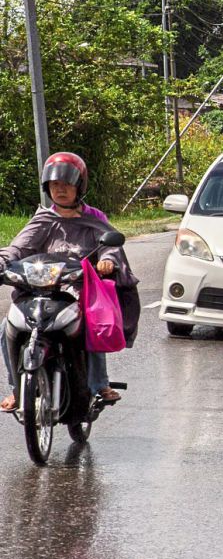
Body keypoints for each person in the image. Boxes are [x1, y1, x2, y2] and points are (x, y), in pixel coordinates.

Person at [0, 152, 137, 412]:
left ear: (79, 186)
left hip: (79, 291)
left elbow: (111, 248)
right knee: (6, 327)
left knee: (93, 324)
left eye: (66, 184)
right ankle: (17, 388)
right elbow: (17, 248)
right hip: (41, 291)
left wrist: (107, 261)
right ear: (47, 189)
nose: (60, 190)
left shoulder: (94, 218)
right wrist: (2, 261)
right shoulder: (43, 219)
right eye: (54, 185)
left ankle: (99, 384)